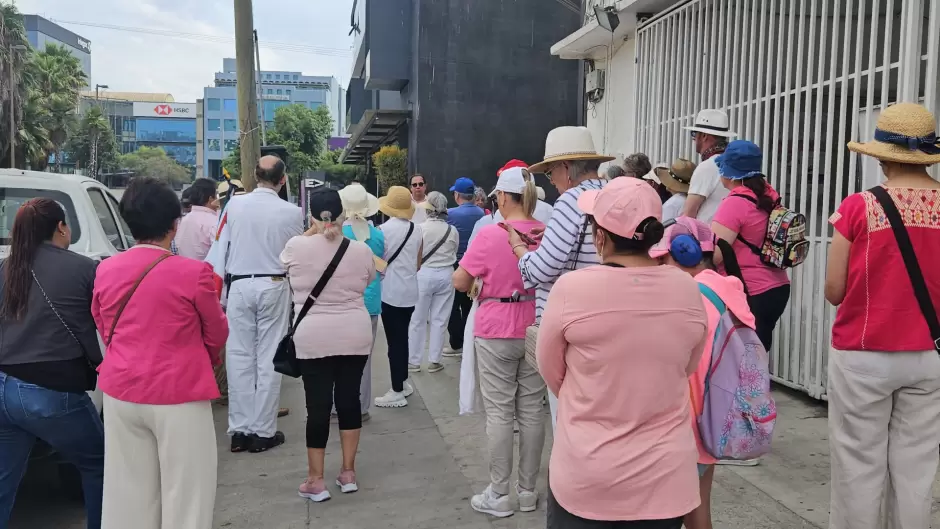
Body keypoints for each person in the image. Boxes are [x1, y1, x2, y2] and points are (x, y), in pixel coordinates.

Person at [536, 177, 707, 528]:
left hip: (588, 475)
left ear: (600, 236)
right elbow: (687, 366)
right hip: (665, 477)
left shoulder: (571, 289)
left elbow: (552, 372)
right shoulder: (687, 289)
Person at [825, 102, 940, 529]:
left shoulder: (858, 207)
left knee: (858, 462)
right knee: (917, 466)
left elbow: (834, 291)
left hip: (864, 352)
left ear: (881, 154)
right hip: (931, 353)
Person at [93, 177, 228, 529]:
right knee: (187, 496)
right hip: (179, 390)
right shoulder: (193, 273)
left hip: (121, 390)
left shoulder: (106, 269)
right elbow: (217, 331)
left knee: (128, 491)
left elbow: (102, 322)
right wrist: (206, 359)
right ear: (174, 224)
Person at [0, 199, 104, 529]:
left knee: (4, 481)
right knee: (100, 465)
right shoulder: (83, 268)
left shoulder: (5, 268)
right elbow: (97, 325)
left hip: (3, 392)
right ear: (60, 227)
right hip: (50, 394)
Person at [649, 217, 756, 529]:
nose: (658, 268)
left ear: (683, 254)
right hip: (715, 421)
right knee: (698, 513)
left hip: (685, 426)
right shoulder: (728, 292)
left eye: (663, 260)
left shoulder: (688, 299)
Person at [453, 167, 546, 517]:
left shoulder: (492, 235)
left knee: (500, 413)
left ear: (504, 198)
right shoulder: (545, 232)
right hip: (535, 325)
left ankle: (499, 492)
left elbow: (461, 281)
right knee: (532, 411)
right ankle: (526, 491)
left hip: (495, 328)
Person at [511, 126, 613, 428]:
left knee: (570, 418)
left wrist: (519, 250)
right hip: (611, 317)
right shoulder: (613, 193)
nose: (551, 180)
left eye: (550, 171)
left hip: (574, 324)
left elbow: (544, 267)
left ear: (566, 168)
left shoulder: (572, 201)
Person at [281, 187, 376, 503]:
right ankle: (348, 472)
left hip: (313, 337)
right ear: (342, 215)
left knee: (317, 407)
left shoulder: (295, 246)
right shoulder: (360, 250)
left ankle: (315, 479)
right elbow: (367, 280)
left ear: (311, 217)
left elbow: (283, 269)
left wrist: (313, 230)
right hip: (355, 333)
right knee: (349, 400)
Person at [222, 156, 304, 453]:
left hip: (240, 283)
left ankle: (240, 430)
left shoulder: (234, 205)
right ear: (283, 180)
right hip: (273, 282)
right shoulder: (292, 212)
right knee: (269, 357)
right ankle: (263, 431)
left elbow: (223, 246)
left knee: (239, 356)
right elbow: (297, 254)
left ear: (256, 177)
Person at [710, 140, 790, 352]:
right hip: (777, 287)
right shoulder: (769, 195)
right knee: (758, 355)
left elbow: (716, 254)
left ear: (728, 171)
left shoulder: (735, 203)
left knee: (744, 363)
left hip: (751, 291)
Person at [375, 186, 424, 408]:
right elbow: (418, 262)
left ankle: (396, 390)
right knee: (402, 338)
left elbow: (376, 262)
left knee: (395, 342)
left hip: (390, 291)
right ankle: (402, 381)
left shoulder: (381, 230)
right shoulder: (417, 229)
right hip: (410, 290)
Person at [340, 183, 385, 421]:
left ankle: (340, 406)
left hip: (341, 302)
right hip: (370, 301)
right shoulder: (378, 235)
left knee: (339, 356)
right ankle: (362, 406)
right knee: (364, 358)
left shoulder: (335, 234)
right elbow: (381, 269)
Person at [408, 191, 459, 373]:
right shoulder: (452, 230)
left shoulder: (419, 228)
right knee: (440, 319)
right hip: (446, 274)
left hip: (423, 273)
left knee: (417, 319)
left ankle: (414, 361)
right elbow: (455, 250)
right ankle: (434, 360)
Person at [444, 177, 485, 356]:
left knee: (452, 306)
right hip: (476, 266)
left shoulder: (450, 214)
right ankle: (470, 340)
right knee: (471, 304)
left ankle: (456, 342)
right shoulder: (483, 214)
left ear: (458, 195)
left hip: (456, 264)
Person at [682, 109, 737, 222]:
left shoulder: (707, 167)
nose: (693, 138)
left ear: (704, 136)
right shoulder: (737, 164)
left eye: (694, 133)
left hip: (706, 236)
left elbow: (688, 215)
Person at [175, 178, 219, 260]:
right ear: (211, 199)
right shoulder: (214, 222)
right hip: (207, 270)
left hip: (184, 269)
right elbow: (220, 253)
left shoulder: (182, 221)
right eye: (216, 195)